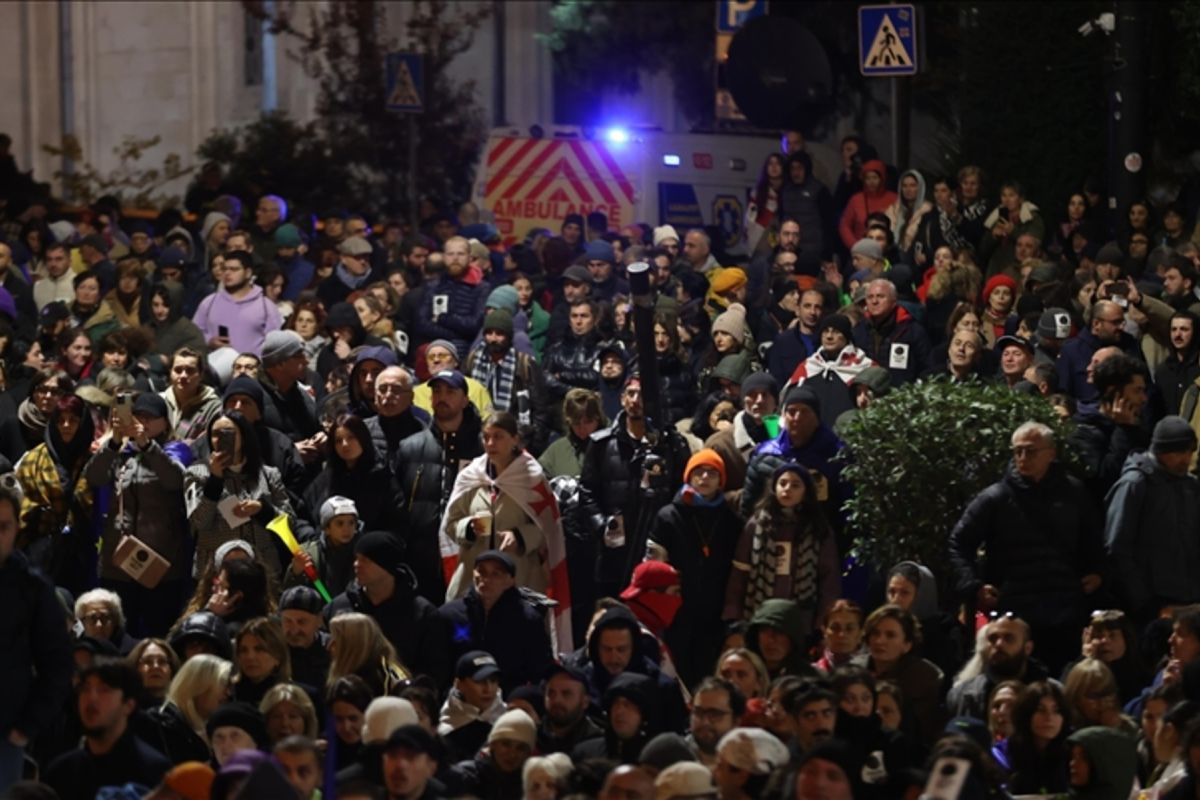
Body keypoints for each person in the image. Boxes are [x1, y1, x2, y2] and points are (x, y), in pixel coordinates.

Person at [949, 420, 1104, 674]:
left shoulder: (1074, 493)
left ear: (1050, 454)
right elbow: (959, 542)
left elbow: (1093, 539)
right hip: (1014, 611)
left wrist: (1097, 572)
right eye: (1017, 451)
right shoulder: (996, 498)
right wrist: (973, 585)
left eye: (1030, 451)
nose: (1023, 458)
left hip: (1065, 611)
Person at [85, 391, 192, 636]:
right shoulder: (119, 452)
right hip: (119, 563)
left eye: (149, 417)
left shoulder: (176, 449)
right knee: (119, 633)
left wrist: (147, 446)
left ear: (165, 422)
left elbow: (175, 479)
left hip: (161, 564)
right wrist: (113, 442)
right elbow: (94, 477)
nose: (142, 422)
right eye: (138, 416)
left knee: (157, 631)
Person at [578, 375, 692, 601]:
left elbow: (682, 490)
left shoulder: (672, 444)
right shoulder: (602, 443)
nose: (635, 400)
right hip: (614, 552)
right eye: (630, 393)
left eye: (642, 395)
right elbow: (587, 491)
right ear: (622, 399)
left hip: (655, 546)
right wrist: (603, 526)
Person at [442, 412, 566, 603]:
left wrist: (520, 536)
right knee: (464, 633)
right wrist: (468, 528)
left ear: (515, 439)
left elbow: (548, 528)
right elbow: (450, 524)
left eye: (498, 436)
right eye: (486, 437)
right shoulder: (471, 476)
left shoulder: (532, 479)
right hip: (473, 582)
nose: (490, 443)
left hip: (519, 581)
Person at [1104, 415, 1200, 624]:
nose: (1186, 459)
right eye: (1179, 452)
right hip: (1152, 607)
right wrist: (1146, 604)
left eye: (1190, 452)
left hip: (1189, 601)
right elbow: (1117, 549)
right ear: (1161, 450)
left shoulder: (1190, 486)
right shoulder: (1136, 484)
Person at [325, 531, 450, 688]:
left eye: (365, 560)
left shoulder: (422, 613)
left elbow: (435, 669)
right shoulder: (340, 607)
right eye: (356, 558)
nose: (357, 565)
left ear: (387, 567)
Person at [185, 410, 295, 580]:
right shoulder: (196, 473)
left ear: (244, 436)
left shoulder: (268, 474)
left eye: (228, 433)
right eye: (215, 434)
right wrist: (215, 479)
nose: (220, 439)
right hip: (215, 573)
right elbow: (198, 522)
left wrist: (262, 509)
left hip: (262, 571)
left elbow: (289, 523)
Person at [44, 659, 171, 798]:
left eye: (104, 689)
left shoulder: (154, 771)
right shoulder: (61, 772)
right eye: (85, 689)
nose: (91, 698)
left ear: (128, 705)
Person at [438, 550, 555, 696]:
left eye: (495, 574)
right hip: (459, 698)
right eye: (481, 571)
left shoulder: (527, 620)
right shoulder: (449, 615)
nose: (485, 579)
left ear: (510, 581)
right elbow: (437, 666)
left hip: (509, 700)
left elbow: (540, 670)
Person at [15, 393, 95, 590]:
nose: (66, 426)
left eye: (73, 420)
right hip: (40, 553)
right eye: (60, 420)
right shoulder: (34, 460)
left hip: (82, 554)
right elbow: (21, 509)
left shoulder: (94, 462)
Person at [854, 605, 945, 746]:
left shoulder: (924, 677)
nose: (879, 641)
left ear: (907, 645)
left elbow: (923, 732)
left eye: (890, 635)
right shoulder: (854, 671)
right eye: (875, 633)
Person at [147, 653, 232, 764]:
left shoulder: (204, 731)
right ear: (199, 685)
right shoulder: (161, 724)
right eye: (223, 684)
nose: (228, 693)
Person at [193, 249, 282, 355]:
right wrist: (209, 341)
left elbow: (275, 344)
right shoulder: (209, 303)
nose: (227, 273)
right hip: (215, 368)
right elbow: (194, 334)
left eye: (234, 269)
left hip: (253, 369)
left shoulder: (266, 307)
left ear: (248, 273)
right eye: (225, 269)